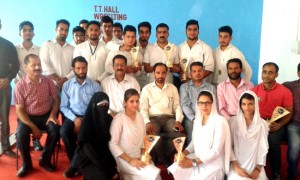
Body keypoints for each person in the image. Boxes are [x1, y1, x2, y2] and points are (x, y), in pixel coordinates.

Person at [14, 54, 60, 177]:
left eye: (39, 64)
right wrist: (33, 126)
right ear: (25, 67)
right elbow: (19, 110)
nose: (37, 67)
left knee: (55, 129)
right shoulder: (20, 86)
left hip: (46, 115)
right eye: (33, 65)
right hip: (27, 117)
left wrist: (53, 115)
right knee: (21, 134)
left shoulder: (48, 81)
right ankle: (27, 164)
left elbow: (56, 100)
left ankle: (44, 159)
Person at [168, 90, 231, 180]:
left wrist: (193, 162)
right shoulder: (197, 121)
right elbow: (194, 143)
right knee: (178, 166)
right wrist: (182, 154)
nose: (204, 106)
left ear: (213, 104)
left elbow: (216, 151)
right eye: (200, 103)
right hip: (197, 158)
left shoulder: (219, 121)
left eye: (207, 103)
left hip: (212, 164)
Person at [60, 56, 101, 177]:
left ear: (87, 67)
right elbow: (63, 107)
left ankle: (74, 166)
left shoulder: (95, 86)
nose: (81, 71)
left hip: (90, 117)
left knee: (86, 134)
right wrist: (75, 119)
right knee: (64, 131)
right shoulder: (67, 85)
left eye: (83, 68)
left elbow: (98, 107)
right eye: (78, 68)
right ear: (73, 69)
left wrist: (84, 120)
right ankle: (76, 161)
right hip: (72, 116)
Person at [252, 62, 293, 179]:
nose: (266, 75)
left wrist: (280, 125)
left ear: (276, 75)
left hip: (275, 124)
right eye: (264, 72)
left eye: (270, 73)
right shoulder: (254, 90)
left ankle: (276, 172)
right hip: (258, 122)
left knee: (273, 142)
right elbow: (249, 110)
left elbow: (289, 111)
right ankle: (256, 170)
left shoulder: (284, 91)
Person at [109, 89, 161, 180]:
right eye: (131, 101)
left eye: (137, 101)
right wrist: (130, 160)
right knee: (152, 174)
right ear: (125, 103)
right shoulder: (119, 119)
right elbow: (112, 144)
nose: (135, 104)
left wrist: (144, 155)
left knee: (157, 176)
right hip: (124, 159)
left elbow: (143, 139)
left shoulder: (140, 116)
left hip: (139, 157)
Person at [140, 63, 184, 166]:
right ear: (153, 73)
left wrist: (178, 121)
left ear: (166, 74)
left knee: (180, 136)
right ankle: (164, 159)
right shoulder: (147, 88)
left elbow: (177, 106)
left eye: (163, 73)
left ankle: (158, 154)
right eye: (158, 73)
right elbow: (143, 108)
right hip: (153, 119)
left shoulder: (172, 88)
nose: (160, 76)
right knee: (152, 136)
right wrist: (147, 122)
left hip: (169, 119)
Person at [227, 91, 269, 180]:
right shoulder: (233, 121)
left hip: (255, 165)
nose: (247, 108)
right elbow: (228, 146)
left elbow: (263, 148)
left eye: (250, 104)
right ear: (240, 105)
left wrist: (258, 169)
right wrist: (236, 166)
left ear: (255, 105)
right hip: (237, 164)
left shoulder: (262, 124)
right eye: (244, 104)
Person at [77, 91, 118, 180]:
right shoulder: (86, 124)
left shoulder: (108, 119)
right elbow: (90, 152)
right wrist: (109, 170)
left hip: (104, 155)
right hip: (89, 159)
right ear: (94, 105)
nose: (103, 108)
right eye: (101, 105)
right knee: (104, 177)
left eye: (106, 105)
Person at [15, 21, 43, 152]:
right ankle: (21, 138)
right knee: (21, 112)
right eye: (25, 30)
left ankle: (36, 140)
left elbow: (41, 68)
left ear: (33, 33)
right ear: (20, 33)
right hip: (20, 86)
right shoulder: (15, 49)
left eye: (30, 30)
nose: (27, 32)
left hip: (35, 86)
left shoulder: (39, 49)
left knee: (36, 111)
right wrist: (17, 81)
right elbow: (13, 66)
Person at [180, 62, 216, 145]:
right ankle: (190, 154)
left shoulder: (211, 87)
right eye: (194, 71)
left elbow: (214, 104)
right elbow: (184, 105)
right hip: (191, 118)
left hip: (207, 116)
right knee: (191, 134)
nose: (197, 73)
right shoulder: (184, 87)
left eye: (200, 71)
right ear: (190, 74)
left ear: (203, 72)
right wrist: (193, 119)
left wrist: (207, 117)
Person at [0, 19, 19, 158]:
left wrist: (8, 79)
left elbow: (16, 66)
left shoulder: (8, 45)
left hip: (4, 85)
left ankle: (5, 147)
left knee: (4, 118)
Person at [40, 19, 74, 90]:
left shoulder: (72, 49)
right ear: (55, 30)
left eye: (66, 30)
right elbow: (44, 64)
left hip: (68, 86)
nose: (64, 32)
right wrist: (57, 80)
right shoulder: (47, 45)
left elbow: (75, 68)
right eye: (61, 29)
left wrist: (64, 80)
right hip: (50, 86)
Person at [283, 63, 300, 180]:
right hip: (294, 124)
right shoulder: (289, 86)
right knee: (295, 147)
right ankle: (292, 174)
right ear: (298, 73)